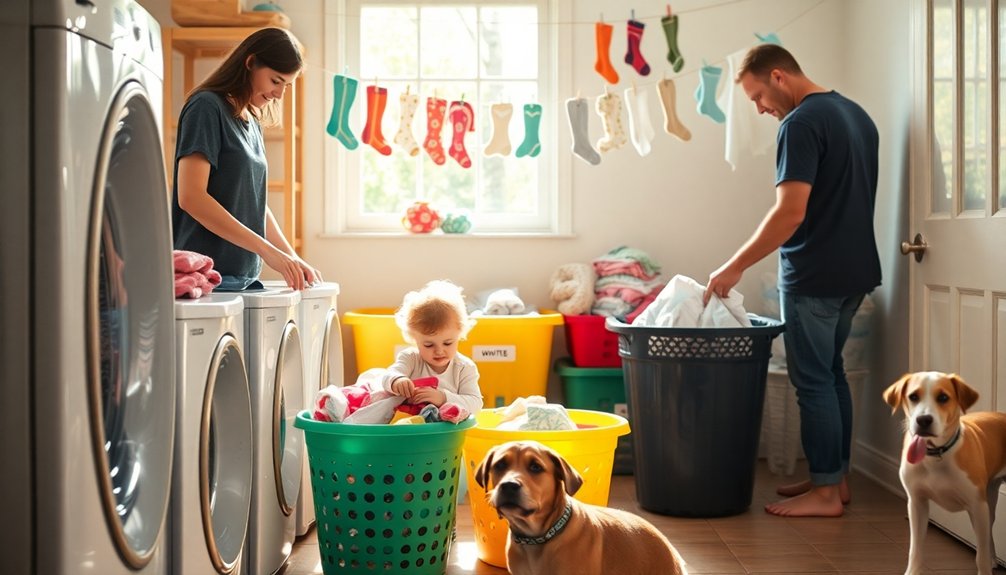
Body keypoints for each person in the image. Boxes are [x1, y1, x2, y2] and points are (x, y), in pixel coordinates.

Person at [703, 44, 881, 518]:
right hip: (857, 271)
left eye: (758, 96)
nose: (761, 108)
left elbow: (790, 212)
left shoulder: (799, 123)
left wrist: (734, 265)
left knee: (813, 382)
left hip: (816, 274)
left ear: (778, 77)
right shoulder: (855, 115)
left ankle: (825, 494)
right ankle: (835, 478)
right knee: (832, 374)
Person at [172, 27, 321, 292]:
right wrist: (267, 251)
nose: (279, 95)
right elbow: (191, 197)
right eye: (275, 81)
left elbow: (254, 203)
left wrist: (291, 256)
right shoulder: (206, 107)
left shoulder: (251, 121)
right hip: (203, 278)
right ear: (251, 63)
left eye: (286, 86)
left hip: (243, 279)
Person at [381, 280, 484, 417]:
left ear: (459, 335)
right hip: (411, 424)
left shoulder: (464, 367)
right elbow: (388, 375)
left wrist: (442, 398)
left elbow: (476, 404)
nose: (439, 351)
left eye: (448, 343)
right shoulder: (411, 358)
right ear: (414, 339)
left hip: (446, 429)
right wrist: (396, 380)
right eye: (429, 345)